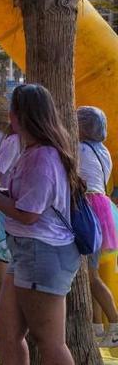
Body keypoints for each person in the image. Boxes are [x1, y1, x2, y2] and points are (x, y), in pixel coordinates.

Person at [0, 84, 82, 365]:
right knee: (9, 331)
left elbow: (28, 214)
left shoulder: (43, 158)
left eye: (13, 110)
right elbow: (22, 200)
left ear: (20, 116)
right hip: (26, 250)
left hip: (42, 251)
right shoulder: (33, 151)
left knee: (49, 340)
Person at [76, 106, 118, 347]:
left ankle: (114, 323)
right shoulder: (103, 151)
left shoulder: (80, 149)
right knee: (88, 272)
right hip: (102, 207)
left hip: (88, 208)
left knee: (91, 276)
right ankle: (96, 326)